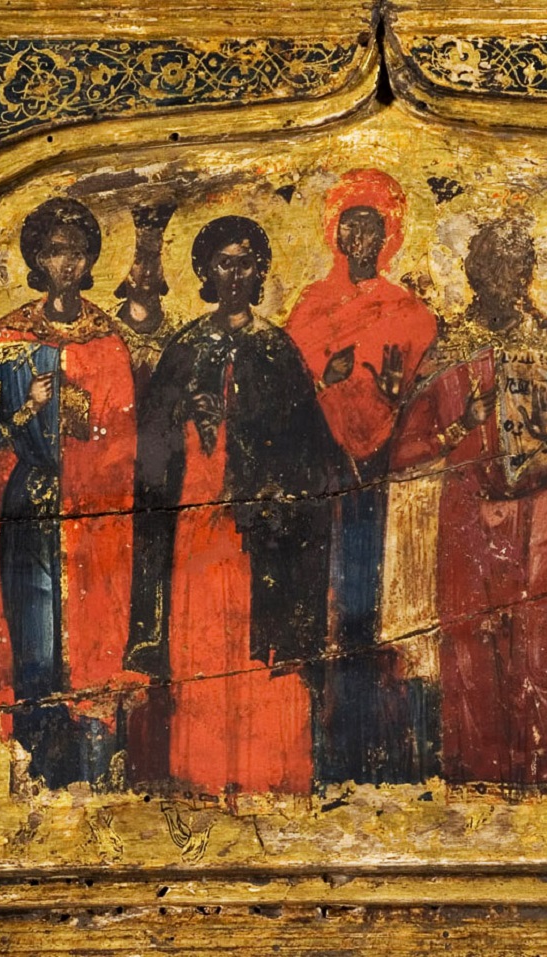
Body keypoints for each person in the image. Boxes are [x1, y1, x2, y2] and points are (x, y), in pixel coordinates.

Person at [123, 215, 345, 795]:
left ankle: (267, 778)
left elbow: (308, 450)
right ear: (206, 271)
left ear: (259, 271)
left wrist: (251, 450)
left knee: (258, 649)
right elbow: (149, 449)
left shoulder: (276, 350)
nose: (235, 275)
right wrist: (183, 416)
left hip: (258, 536)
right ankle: (201, 775)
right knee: (199, 643)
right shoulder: (185, 348)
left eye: (245, 263)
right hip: (196, 524)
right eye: (224, 263)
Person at [391, 218, 547, 787]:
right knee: (469, 645)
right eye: (492, 268)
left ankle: (544, 775)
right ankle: (476, 775)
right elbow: (405, 450)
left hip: (536, 518)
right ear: (474, 274)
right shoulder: (448, 354)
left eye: (515, 268)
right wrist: (459, 427)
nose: (504, 280)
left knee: (537, 643)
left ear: (527, 276)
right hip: (466, 516)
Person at [0, 197, 139, 789]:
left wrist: (85, 423)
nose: (66, 263)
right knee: (35, 644)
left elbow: (125, 445)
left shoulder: (108, 341)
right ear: (38, 258)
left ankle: (92, 773)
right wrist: (29, 411)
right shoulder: (7, 338)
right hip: (30, 507)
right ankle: (36, 770)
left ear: (90, 261)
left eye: (77, 252)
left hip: (94, 512)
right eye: (55, 251)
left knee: (93, 639)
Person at [286, 169, 440, 785]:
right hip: (321, 466)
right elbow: (289, 385)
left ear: (388, 235)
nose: (359, 237)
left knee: (373, 603)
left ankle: (377, 742)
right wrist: (322, 380)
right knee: (321, 601)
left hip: (382, 470)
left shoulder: (408, 312)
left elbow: (424, 401)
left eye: (372, 226)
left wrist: (398, 395)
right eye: (349, 224)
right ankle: (323, 746)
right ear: (334, 232)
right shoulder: (310, 308)